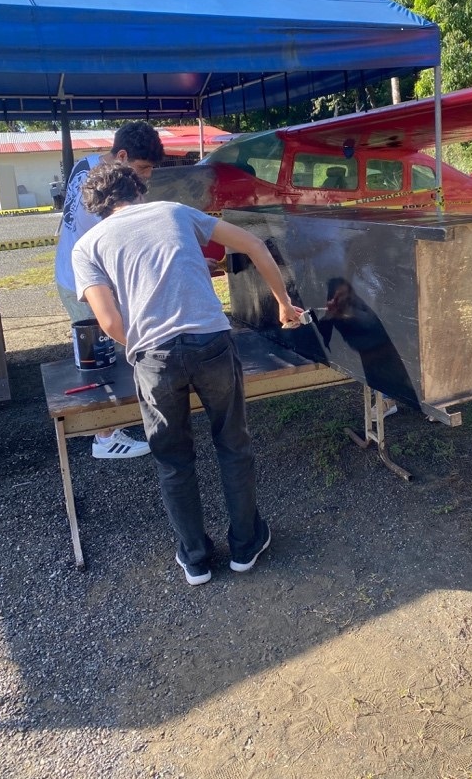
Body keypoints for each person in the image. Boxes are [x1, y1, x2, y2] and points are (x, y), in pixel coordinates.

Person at [71, 162, 303, 585]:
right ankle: (246, 545)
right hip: (211, 340)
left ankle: (196, 559)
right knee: (233, 444)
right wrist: (284, 304)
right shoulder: (175, 211)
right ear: (139, 190)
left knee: (173, 460)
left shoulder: (87, 246)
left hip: (154, 357)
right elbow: (254, 244)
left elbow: (109, 322)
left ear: (97, 208)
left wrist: (145, 348)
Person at [55, 121, 164, 460]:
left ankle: (116, 421)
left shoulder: (87, 164)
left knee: (104, 350)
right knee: (102, 355)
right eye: (143, 167)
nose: (146, 176)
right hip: (86, 280)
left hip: (69, 271)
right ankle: (105, 437)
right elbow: (126, 244)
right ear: (122, 156)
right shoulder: (111, 194)